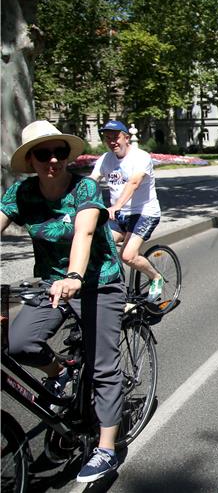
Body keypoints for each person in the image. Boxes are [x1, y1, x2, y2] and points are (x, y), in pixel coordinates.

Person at [1, 120, 126, 483]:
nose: (53, 160)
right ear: (31, 160)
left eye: (59, 152)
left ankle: (106, 448)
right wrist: (61, 280)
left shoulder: (83, 187)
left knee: (103, 365)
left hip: (97, 281)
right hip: (52, 284)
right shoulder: (21, 194)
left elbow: (85, 233)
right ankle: (62, 373)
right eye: (43, 154)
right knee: (18, 344)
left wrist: (73, 276)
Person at [90, 120, 163, 303]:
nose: (112, 141)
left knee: (128, 256)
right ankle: (114, 287)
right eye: (108, 138)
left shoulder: (140, 157)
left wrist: (117, 205)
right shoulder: (105, 159)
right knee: (98, 245)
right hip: (119, 216)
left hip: (144, 212)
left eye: (116, 137)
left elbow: (134, 183)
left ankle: (156, 277)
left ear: (126, 138)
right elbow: (91, 181)